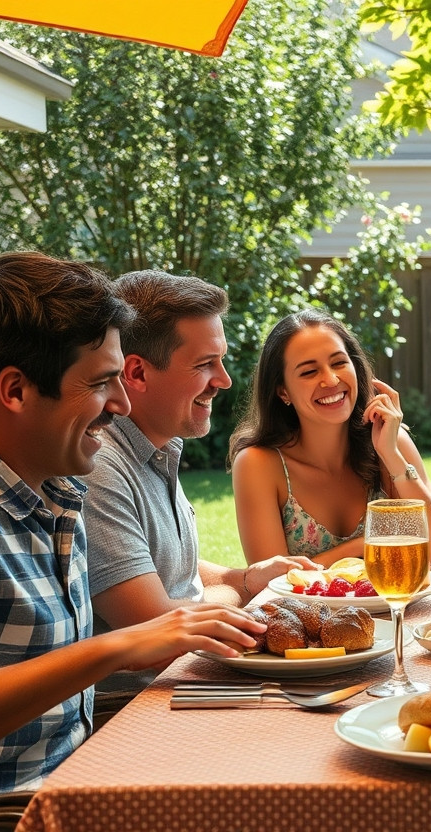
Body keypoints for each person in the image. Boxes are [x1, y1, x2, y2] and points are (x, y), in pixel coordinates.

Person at [0, 252, 264, 809]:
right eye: (101, 383)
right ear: (15, 390)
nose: (120, 405)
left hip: (65, 785)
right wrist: (118, 647)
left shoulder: (45, 491)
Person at [84, 271, 318, 704]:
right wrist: (237, 594)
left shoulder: (157, 447)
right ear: (136, 372)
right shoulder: (98, 468)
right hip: (131, 715)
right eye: (204, 363)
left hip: (186, 688)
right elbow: (158, 632)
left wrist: (245, 577)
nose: (225, 379)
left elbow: (166, 569)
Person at [230, 309, 431, 569]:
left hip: (395, 607)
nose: (330, 379)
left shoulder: (390, 442)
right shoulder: (258, 463)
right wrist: (367, 544)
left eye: (339, 362)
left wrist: (392, 455)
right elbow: (271, 582)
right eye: (309, 372)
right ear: (283, 391)